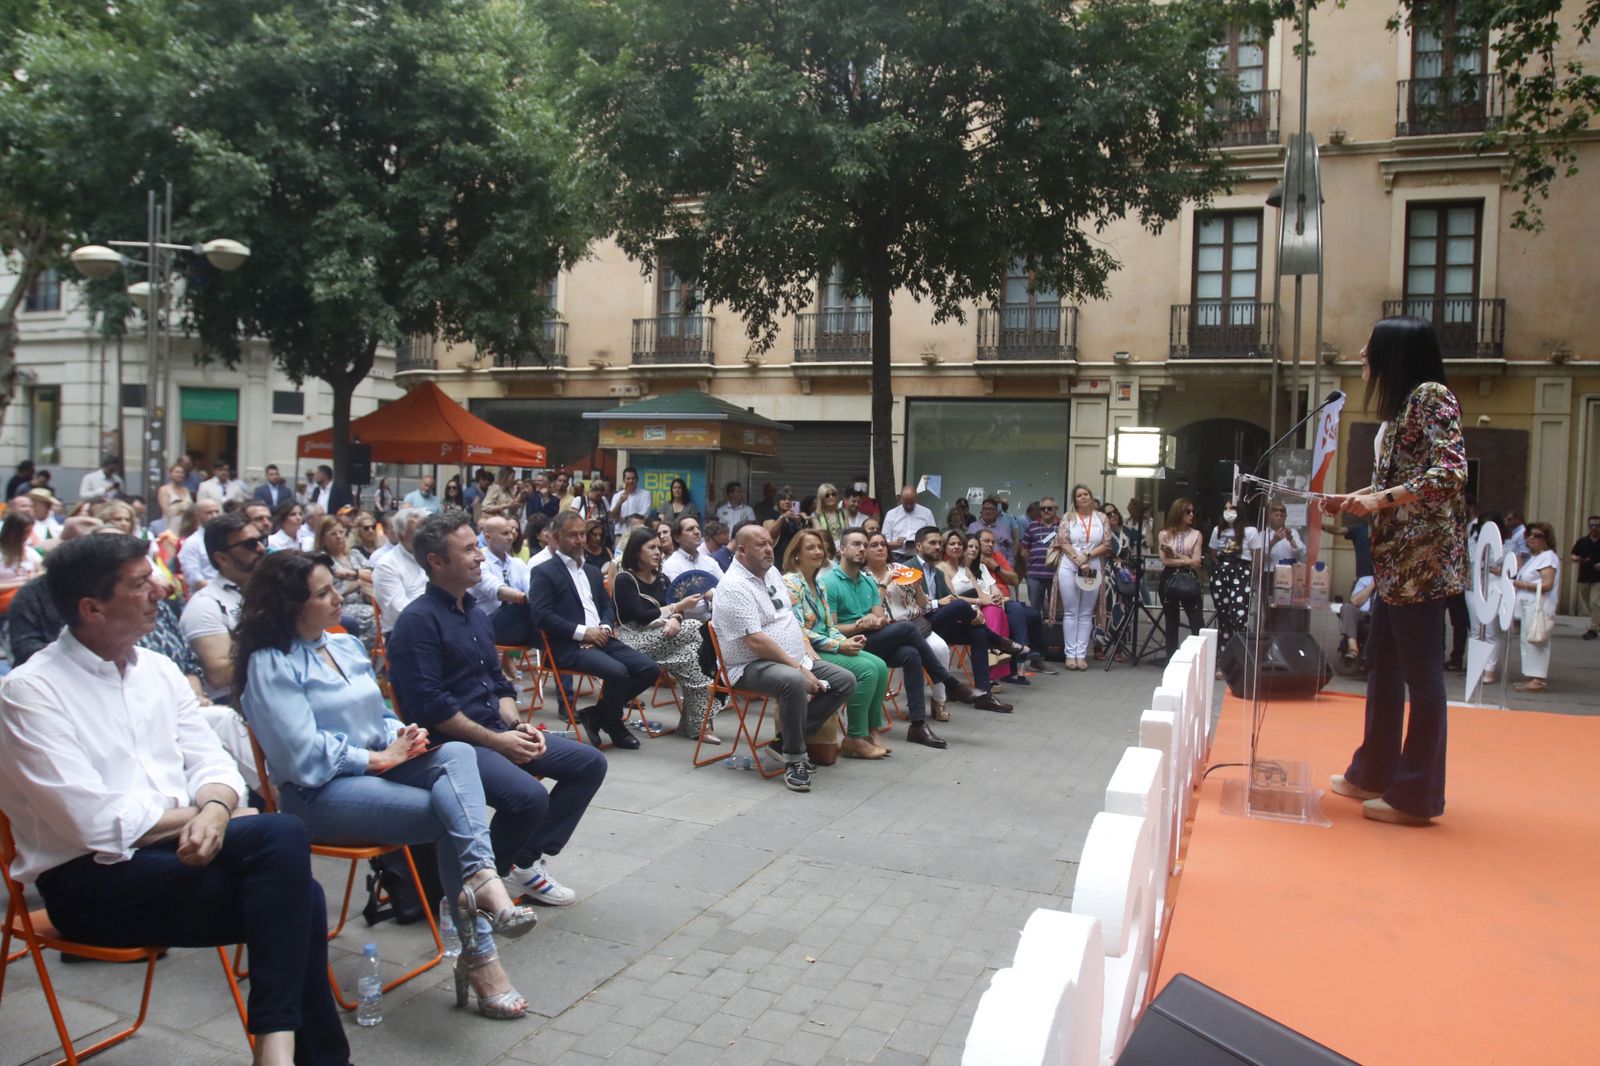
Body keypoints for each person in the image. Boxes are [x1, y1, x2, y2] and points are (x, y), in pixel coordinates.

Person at [0, 533, 350, 1066]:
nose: (161, 590)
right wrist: (210, 813)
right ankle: (295, 1053)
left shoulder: (157, 671)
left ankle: (278, 1051)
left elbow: (213, 764)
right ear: (92, 607)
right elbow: (95, 824)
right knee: (293, 880)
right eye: (141, 583)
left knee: (287, 866)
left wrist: (215, 808)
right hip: (90, 885)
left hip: (175, 855)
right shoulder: (31, 691)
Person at [237, 549, 540, 1020]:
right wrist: (377, 757)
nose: (340, 597)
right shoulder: (271, 663)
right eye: (324, 593)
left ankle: (480, 880)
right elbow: (298, 755)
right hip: (317, 793)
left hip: (379, 769)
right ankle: (480, 953)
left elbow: (375, 714)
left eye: (334, 586)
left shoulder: (342, 644)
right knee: (449, 813)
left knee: (457, 754)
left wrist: (401, 733)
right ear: (290, 607)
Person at [387, 512, 607, 907]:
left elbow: (500, 684)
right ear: (436, 562)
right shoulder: (417, 622)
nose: (480, 558)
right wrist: (499, 741)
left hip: (493, 730)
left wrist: (515, 724)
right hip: (448, 745)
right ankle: (473, 886)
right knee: (528, 798)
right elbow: (431, 709)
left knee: (589, 764)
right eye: (469, 549)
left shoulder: (474, 612)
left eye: (477, 547)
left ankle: (520, 863)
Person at [1321, 316, 1466, 826]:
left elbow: (1449, 472)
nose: (1362, 354)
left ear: (1395, 353)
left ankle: (1416, 796)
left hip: (1421, 563)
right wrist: (1353, 499)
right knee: (1382, 662)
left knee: (1423, 677)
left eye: (1371, 348)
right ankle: (1375, 771)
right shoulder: (1404, 407)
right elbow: (1399, 483)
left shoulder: (1431, 396)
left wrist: (1377, 498)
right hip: (1396, 565)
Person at [713, 524, 856, 792]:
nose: (769, 549)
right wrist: (798, 667)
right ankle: (794, 759)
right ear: (742, 550)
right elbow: (755, 641)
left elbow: (787, 617)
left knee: (844, 680)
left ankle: (782, 742)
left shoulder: (772, 573)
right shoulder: (734, 586)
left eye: (770, 543)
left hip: (792, 658)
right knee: (793, 681)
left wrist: (802, 643)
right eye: (761, 545)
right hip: (747, 666)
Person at [529, 510, 660, 749]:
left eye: (582, 534)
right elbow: (542, 616)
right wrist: (583, 632)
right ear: (556, 538)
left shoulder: (590, 571)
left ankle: (598, 714)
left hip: (602, 637)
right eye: (573, 535)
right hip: (569, 644)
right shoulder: (544, 571)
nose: (580, 540)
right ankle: (614, 724)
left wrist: (605, 627)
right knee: (618, 672)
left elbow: (606, 605)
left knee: (649, 669)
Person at [782, 529, 891, 760]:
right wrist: (838, 646)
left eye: (820, 547)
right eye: (810, 547)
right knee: (867, 670)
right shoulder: (791, 583)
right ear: (796, 555)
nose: (818, 552)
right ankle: (855, 737)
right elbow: (799, 631)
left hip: (826, 645)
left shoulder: (819, 584)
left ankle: (871, 731)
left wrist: (846, 640)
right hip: (806, 651)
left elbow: (829, 625)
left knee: (880, 665)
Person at [611, 527, 719, 742]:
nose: (658, 552)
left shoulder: (661, 579)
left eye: (659, 548)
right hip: (632, 638)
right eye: (651, 547)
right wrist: (677, 609)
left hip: (664, 636)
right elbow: (640, 616)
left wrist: (675, 619)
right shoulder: (625, 579)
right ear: (636, 551)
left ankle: (695, 727)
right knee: (697, 629)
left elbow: (675, 613)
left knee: (693, 663)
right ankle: (714, 666)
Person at [911, 526, 1014, 707]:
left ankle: (984, 695)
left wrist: (974, 612)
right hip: (920, 625)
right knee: (959, 604)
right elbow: (914, 606)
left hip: (940, 624)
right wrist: (968, 609)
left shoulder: (936, 570)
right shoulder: (908, 568)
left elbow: (950, 600)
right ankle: (997, 640)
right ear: (919, 546)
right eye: (932, 543)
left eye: (938, 543)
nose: (937, 547)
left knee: (979, 634)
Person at [180, 513, 266, 704]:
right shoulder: (206, 604)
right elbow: (219, 675)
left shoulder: (274, 591)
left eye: (262, 540)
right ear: (222, 559)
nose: (261, 548)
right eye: (250, 545)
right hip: (237, 703)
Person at [1053, 483, 1109, 671]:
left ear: (1091, 497)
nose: (1084, 497)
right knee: (1071, 612)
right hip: (1070, 566)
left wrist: (1088, 556)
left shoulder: (1101, 518)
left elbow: (1106, 544)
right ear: (1074, 501)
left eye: (1086, 494)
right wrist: (1079, 560)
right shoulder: (1068, 517)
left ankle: (1081, 655)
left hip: (1092, 567)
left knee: (1086, 613)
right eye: (1079, 495)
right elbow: (1063, 541)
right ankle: (1070, 655)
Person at [1511, 522, 1559, 692]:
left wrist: (1521, 584)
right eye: (1530, 534)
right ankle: (1533, 677)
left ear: (1546, 539)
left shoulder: (1548, 557)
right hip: (1529, 604)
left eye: (1537, 535)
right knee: (1529, 640)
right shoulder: (1535, 558)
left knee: (1537, 640)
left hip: (1538, 604)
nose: (1531, 538)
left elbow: (1547, 584)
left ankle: (1538, 679)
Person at [1157, 498, 1205, 665]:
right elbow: (1165, 561)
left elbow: (1197, 563)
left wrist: (1176, 555)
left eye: (1193, 511)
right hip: (1169, 578)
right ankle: (1171, 658)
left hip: (1189, 578)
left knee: (1196, 620)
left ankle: (1200, 659)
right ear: (1178, 513)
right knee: (1171, 621)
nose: (1192, 515)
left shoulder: (1196, 535)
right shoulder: (1164, 534)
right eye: (1187, 512)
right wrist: (1188, 561)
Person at [313, 516, 375, 644]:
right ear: (323, 538)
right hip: (342, 606)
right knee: (375, 615)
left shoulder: (354, 554)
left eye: (341, 532)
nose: (339, 536)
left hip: (367, 599)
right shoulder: (323, 560)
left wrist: (354, 575)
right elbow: (334, 590)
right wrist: (359, 582)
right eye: (333, 534)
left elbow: (374, 574)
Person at [1208, 498, 1256, 648]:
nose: (1228, 512)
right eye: (1226, 509)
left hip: (1242, 572)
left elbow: (1257, 556)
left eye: (1232, 508)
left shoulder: (1250, 531)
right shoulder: (1218, 530)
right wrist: (1220, 567)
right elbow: (1213, 552)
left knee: (1239, 616)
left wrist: (1252, 578)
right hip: (1221, 573)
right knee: (1223, 616)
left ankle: (1243, 652)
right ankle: (1224, 654)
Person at [372, 507, 429, 633]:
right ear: (400, 536)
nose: (424, 536)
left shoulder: (432, 556)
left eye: (425, 530)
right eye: (416, 532)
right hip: (404, 631)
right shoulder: (386, 565)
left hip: (434, 624)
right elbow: (401, 611)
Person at [1017, 496, 1060, 607]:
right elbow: (1024, 548)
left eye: (1049, 508)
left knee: (1055, 609)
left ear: (1056, 509)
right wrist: (1028, 566)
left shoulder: (1064, 526)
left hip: (1057, 574)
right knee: (1034, 608)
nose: (1046, 511)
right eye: (1043, 508)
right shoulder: (1031, 526)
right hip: (1034, 574)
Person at [662, 514, 725, 585]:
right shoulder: (671, 565)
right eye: (690, 529)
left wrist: (711, 592)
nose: (697, 532)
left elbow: (724, 587)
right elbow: (679, 594)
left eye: (698, 528)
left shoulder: (710, 562)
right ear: (677, 538)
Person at [175, 497, 223, 588]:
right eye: (209, 513)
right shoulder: (191, 543)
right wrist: (219, 591)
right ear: (197, 517)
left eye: (217, 512)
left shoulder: (227, 538)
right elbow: (194, 579)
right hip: (206, 595)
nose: (215, 516)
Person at [0, 508, 39, 618]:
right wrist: (21, 583)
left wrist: (35, 576)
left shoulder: (30, 552)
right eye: (24, 532)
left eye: (29, 532)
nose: (27, 536)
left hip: (27, 605)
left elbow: (41, 570)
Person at [1569, 514, 1600, 640]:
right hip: (1584, 577)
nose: (1594, 528)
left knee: (1595, 603)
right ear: (1588, 526)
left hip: (1598, 578)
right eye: (1592, 525)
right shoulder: (1582, 541)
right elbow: (1572, 554)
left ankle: (1593, 629)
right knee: (1588, 602)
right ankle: (1597, 621)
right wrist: (1577, 559)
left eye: (1597, 526)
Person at [881, 485, 936, 553]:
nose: (909, 506)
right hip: (897, 554)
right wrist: (895, 543)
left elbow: (933, 536)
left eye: (911, 503)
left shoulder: (926, 513)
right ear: (901, 499)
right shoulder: (891, 514)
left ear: (916, 499)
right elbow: (883, 540)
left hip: (919, 554)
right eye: (906, 504)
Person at [608, 467, 653, 536]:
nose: (631, 481)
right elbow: (613, 517)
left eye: (633, 478)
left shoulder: (645, 494)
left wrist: (625, 518)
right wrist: (620, 501)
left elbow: (643, 515)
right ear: (624, 480)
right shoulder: (617, 496)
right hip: (621, 534)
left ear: (637, 479)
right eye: (628, 479)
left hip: (638, 534)